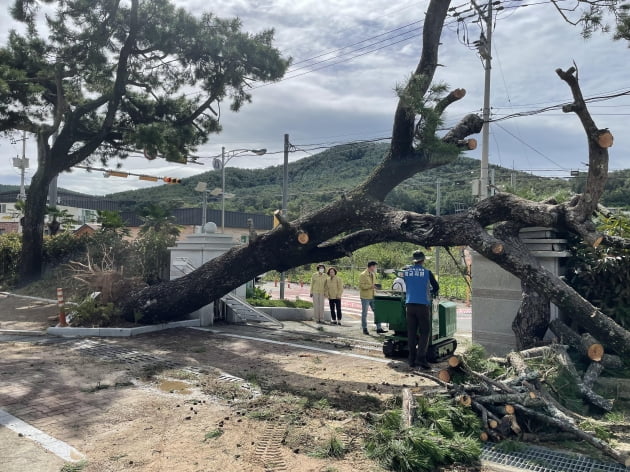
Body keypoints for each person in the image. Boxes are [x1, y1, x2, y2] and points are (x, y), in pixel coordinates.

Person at [403, 251, 439, 370]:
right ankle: (421, 358)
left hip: (409, 305)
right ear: (423, 260)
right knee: (425, 332)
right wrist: (431, 293)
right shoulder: (427, 272)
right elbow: (436, 287)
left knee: (411, 333)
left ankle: (411, 359)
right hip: (423, 306)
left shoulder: (406, 272)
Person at [359, 261, 386, 335]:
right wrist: (371, 286)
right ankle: (364, 328)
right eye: (374, 266)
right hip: (365, 297)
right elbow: (362, 286)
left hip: (373, 296)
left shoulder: (373, 274)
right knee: (364, 313)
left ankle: (379, 328)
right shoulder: (363, 275)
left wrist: (377, 288)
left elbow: (374, 284)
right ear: (371, 266)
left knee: (377, 312)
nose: (375, 268)